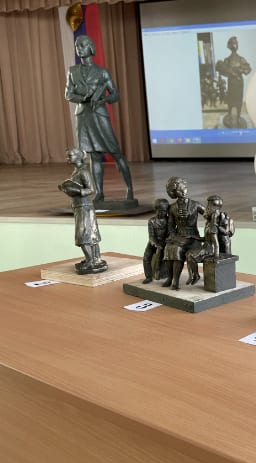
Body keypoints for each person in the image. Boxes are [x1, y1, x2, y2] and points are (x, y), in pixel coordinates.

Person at [65, 35, 134, 202]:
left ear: (91, 48)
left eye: (82, 45)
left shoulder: (102, 72)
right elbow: (68, 94)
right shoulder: (72, 71)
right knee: (94, 156)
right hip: (84, 116)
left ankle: (130, 189)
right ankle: (99, 193)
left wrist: (103, 100)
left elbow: (115, 94)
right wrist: (83, 98)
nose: (79, 49)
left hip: (99, 115)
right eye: (77, 46)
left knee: (116, 153)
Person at [58, 148, 107, 274]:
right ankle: (93, 259)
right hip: (80, 206)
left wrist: (74, 190)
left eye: (70, 156)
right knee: (89, 234)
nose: (68, 159)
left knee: (84, 235)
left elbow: (91, 189)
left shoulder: (83, 172)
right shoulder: (77, 171)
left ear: (79, 157)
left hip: (84, 206)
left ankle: (92, 261)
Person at [162, 177, 205, 290]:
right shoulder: (172, 208)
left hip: (193, 238)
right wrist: (173, 236)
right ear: (175, 193)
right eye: (179, 190)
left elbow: (208, 215)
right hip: (179, 236)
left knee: (177, 249)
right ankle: (170, 278)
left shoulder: (195, 204)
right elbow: (171, 225)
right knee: (169, 249)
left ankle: (175, 281)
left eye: (184, 188)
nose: (183, 192)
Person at [215, 36, 251, 128]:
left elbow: (248, 69)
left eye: (236, 43)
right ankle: (230, 116)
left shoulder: (241, 59)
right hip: (231, 83)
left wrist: (241, 70)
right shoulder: (227, 60)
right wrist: (228, 72)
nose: (235, 45)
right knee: (230, 100)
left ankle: (238, 117)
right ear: (229, 46)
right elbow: (222, 71)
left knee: (239, 100)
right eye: (233, 43)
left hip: (239, 83)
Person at [142, 199, 169, 284]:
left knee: (161, 252)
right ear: (156, 209)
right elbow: (151, 236)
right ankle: (148, 276)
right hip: (154, 242)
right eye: (160, 211)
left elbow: (170, 233)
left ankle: (158, 270)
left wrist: (166, 242)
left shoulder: (169, 220)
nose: (163, 213)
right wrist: (156, 244)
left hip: (165, 242)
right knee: (146, 257)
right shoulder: (152, 221)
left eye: (165, 211)